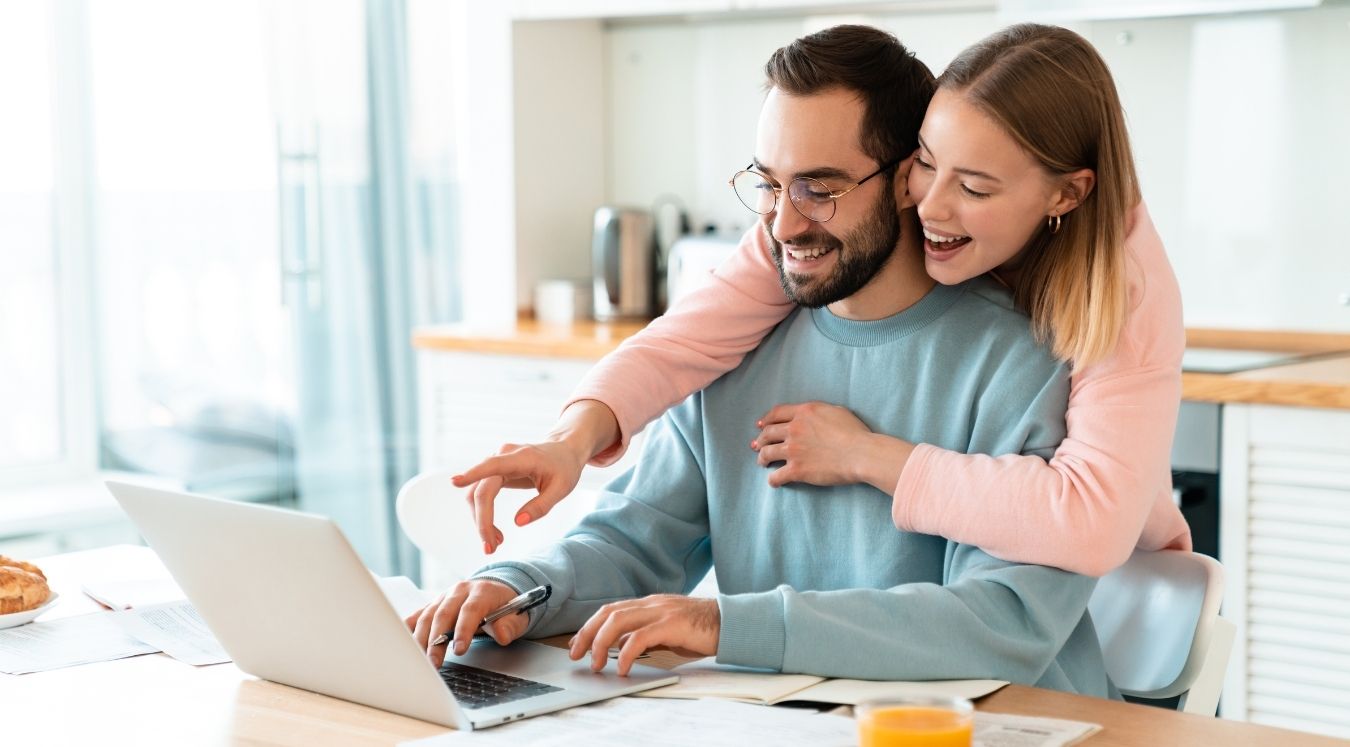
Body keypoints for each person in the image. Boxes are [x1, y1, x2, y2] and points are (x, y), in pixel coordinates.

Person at [409, 25, 1113, 697]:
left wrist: (725, 623)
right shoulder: (739, 341)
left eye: (820, 188)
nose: (782, 224)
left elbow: (998, 622)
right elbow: (634, 540)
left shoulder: (1024, 360)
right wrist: (519, 587)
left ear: (909, 180)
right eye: (770, 184)